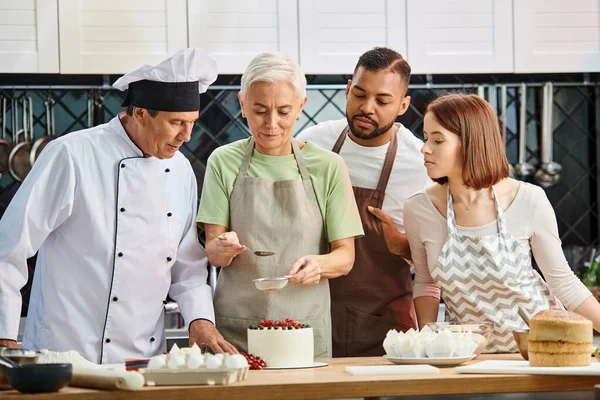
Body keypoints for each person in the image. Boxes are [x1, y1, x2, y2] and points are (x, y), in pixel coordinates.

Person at [0, 48, 236, 363]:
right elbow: (9, 247)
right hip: (62, 354)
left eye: (192, 122)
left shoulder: (180, 171)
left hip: (142, 360)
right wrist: (4, 336)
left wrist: (200, 320)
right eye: (176, 122)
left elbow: (187, 268)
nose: (187, 136)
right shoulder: (72, 155)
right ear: (139, 113)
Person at [197, 52, 363, 358]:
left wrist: (318, 264)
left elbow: (345, 257)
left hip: (303, 329)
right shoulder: (223, 161)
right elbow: (213, 250)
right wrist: (222, 246)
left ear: (301, 107)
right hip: (237, 333)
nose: (271, 124)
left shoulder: (328, 166)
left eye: (284, 112)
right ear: (242, 104)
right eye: (260, 111)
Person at [404, 93, 600, 352]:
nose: (425, 148)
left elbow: (563, 283)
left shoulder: (528, 199)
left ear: (472, 143)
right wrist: (427, 345)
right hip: (466, 357)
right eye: (426, 137)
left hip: (539, 350)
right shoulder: (419, 209)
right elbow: (426, 283)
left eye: (438, 140)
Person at [296, 47, 431, 357]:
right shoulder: (314, 144)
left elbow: (440, 255)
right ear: (347, 90)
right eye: (359, 94)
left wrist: (400, 244)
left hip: (383, 331)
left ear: (402, 105)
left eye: (382, 101)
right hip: (310, 319)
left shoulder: (421, 164)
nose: (367, 108)